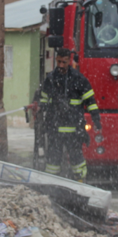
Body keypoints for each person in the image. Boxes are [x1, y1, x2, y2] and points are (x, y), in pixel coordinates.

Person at [39, 47, 101, 182]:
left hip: (74, 129)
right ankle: (52, 185)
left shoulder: (78, 79)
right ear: (56, 59)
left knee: (76, 159)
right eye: (59, 61)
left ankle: (80, 183)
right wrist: (41, 110)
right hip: (54, 129)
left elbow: (90, 101)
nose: (61, 65)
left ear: (69, 61)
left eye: (64, 62)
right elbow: (43, 99)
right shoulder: (50, 79)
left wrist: (96, 119)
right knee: (53, 161)